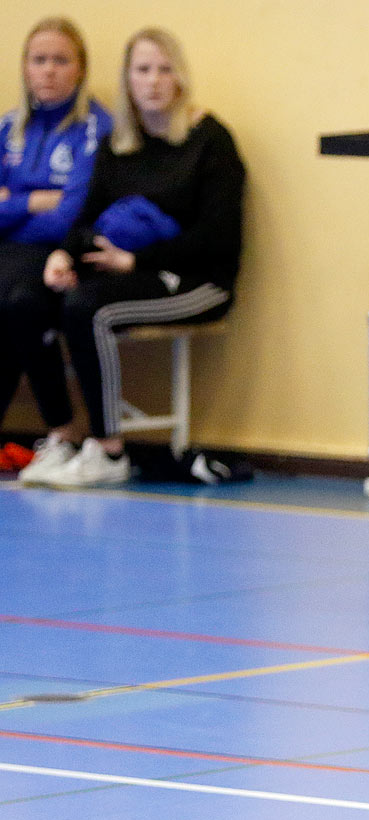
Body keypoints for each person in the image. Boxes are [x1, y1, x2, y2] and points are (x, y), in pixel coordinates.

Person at [22, 26, 243, 489]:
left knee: (91, 309)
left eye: (165, 70)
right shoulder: (119, 145)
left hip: (198, 282)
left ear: (180, 79)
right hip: (128, 272)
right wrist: (65, 255)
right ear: (128, 80)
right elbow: (86, 218)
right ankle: (63, 436)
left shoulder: (209, 141)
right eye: (143, 70)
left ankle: (109, 450)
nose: (154, 81)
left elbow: (218, 238)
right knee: (33, 299)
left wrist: (136, 263)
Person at [0, 17, 111, 481]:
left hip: (62, 254)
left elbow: (74, 210)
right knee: (8, 299)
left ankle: (63, 430)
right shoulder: (10, 127)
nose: (48, 71)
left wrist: (12, 203)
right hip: (11, 251)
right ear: (25, 68)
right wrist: (36, 200)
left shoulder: (93, 127)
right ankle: (61, 432)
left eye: (60, 60)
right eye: (39, 60)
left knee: (19, 302)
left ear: (80, 69)